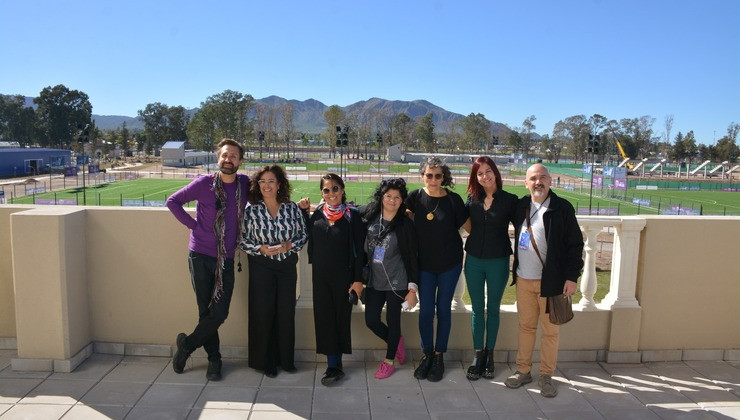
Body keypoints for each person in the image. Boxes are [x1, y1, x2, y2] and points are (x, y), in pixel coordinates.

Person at [166, 138, 249, 381]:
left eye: (233, 156)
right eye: (224, 155)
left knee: (219, 312)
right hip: (200, 255)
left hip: (227, 257)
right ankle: (215, 360)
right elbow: (173, 202)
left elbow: (268, 197)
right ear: (218, 158)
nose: (228, 159)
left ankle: (187, 345)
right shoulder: (204, 183)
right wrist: (195, 226)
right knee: (206, 311)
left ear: (240, 161)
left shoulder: (245, 184)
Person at [504, 163, 584, 397]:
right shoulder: (520, 206)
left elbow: (575, 245)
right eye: (533, 178)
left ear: (551, 181)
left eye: (543, 177)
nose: (538, 182)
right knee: (526, 328)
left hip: (553, 283)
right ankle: (523, 370)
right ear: (525, 183)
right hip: (523, 280)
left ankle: (546, 376)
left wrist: (572, 277)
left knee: (550, 332)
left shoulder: (562, 208)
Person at [298, 173, 365, 386]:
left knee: (340, 319)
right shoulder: (317, 213)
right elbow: (308, 233)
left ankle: (336, 365)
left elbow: (360, 252)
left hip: (344, 277)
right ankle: (331, 363)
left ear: (343, 189)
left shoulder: (351, 215)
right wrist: (302, 211)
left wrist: (357, 280)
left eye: (335, 188)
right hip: (321, 276)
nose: (331, 193)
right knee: (324, 319)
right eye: (326, 190)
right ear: (322, 193)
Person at [240, 165, 307, 378]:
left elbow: (303, 235)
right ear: (257, 186)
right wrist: (260, 248)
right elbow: (242, 240)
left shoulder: (292, 208)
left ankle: (286, 360)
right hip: (261, 266)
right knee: (263, 312)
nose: (266, 186)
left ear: (279, 185)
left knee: (285, 312)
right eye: (262, 182)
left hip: (286, 266)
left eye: (271, 181)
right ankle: (266, 361)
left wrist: (289, 246)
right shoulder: (251, 211)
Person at [405, 157, 468, 382]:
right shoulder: (413, 198)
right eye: (429, 175)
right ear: (422, 175)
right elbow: (393, 213)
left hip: (450, 265)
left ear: (444, 177)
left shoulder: (453, 200)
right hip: (424, 266)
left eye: (438, 175)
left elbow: (470, 225)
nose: (433, 179)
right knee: (425, 312)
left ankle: (439, 355)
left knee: (443, 310)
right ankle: (427, 354)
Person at [461, 156, 517, 380]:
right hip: (473, 260)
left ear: (495, 172)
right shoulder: (472, 199)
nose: (485, 176)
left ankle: (490, 355)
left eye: (488, 171)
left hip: (498, 261)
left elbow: (525, 225)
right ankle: (478, 354)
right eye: (479, 173)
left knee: (493, 309)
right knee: (476, 309)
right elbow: (461, 220)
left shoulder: (510, 200)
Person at [361, 178, 419, 379]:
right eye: (388, 196)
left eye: (397, 197)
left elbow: (413, 257)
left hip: (397, 281)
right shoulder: (370, 215)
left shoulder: (405, 224)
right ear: (381, 197)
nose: (392, 201)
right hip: (374, 281)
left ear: (402, 200)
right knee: (371, 320)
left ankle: (389, 361)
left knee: (393, 321)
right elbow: (347, 210)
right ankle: (396, 342)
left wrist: (412, 289)